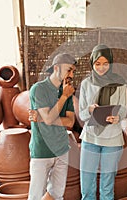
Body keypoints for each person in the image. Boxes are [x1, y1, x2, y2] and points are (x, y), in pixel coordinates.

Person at [79, 44, 127, 200]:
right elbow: (81, 114)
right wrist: (90, 110)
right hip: (90, 138)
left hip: (113, 139)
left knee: (107, 187)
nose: (101, 68)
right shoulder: (86, 83)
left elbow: (123, 109)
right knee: (86, 186)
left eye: (105, 64)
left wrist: (117, 118)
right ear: (92, 63)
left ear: (111, 63)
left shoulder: (120, 83)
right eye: (97, 64)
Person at [28, 53, 77, 200]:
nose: (72, 75)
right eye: (69, 70)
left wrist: (42, 119)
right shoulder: (39, 89)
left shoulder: (67, 90)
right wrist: (63, 98)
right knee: (36, 196)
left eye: (73, 71)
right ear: (56, 68)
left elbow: (69, 122)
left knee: (57, 195)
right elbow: (49, 118)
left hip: (62, 149)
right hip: (41, 150)